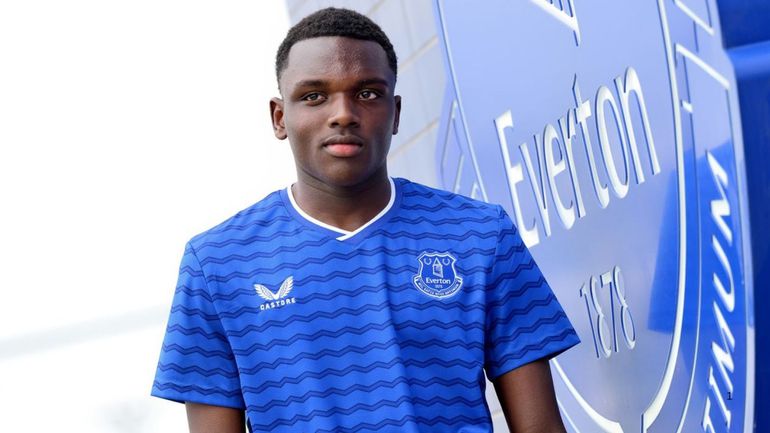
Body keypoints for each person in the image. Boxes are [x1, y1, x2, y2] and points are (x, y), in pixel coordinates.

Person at [152, 7, 580, 433]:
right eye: (314, 96)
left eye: (368, 93)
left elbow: (541, 427)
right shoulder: (217, 263)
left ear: (396, 113)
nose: (343, 114)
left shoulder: (479, 234)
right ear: (280, 118)